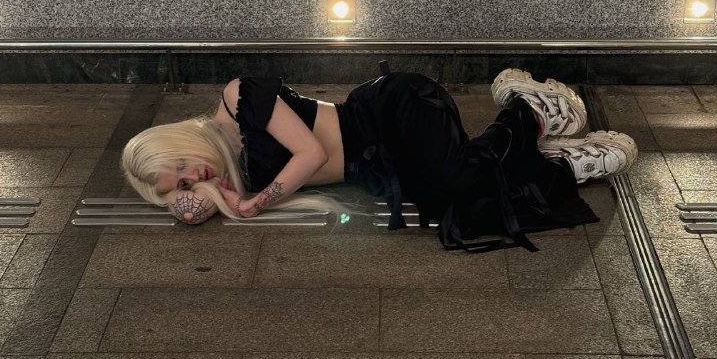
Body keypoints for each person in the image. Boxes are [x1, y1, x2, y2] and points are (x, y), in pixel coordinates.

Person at [121, 65, 638, 253]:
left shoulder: (240, 98)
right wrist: (190, 198)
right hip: (384, 168)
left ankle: (533, 111)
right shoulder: (225, 174)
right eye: (183, 182)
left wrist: (256, 203)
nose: (195, 175)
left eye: (181, 164)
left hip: (393, 111)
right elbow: (194, 210)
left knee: (456, 180)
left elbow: (311, 153)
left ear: (178, 140)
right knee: (461, 211)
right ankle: (557, 157)